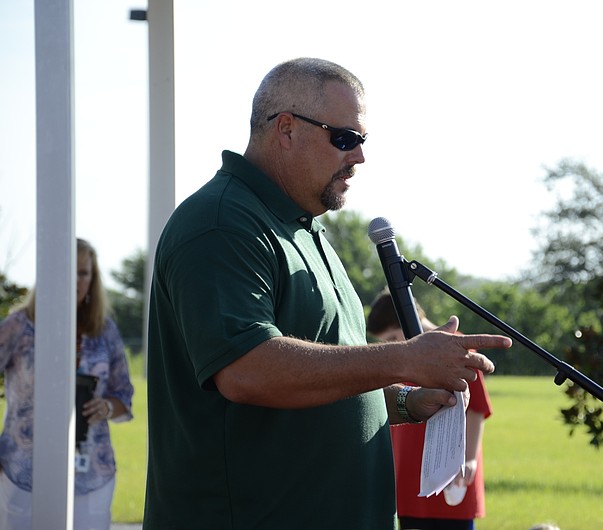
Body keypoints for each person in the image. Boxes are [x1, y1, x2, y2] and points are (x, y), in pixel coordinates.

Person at [142, 57, 512, 530]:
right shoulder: (221, 223)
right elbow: (246, 370)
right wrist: (404, 358)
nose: (358, 157)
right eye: (344, 138)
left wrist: (403, 401)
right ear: (287, 129)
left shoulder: (302, 227)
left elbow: (326, 374)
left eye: (362, 141)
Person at [0, 238, 134, 530]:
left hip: (91, 473)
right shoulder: (19, 326)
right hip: (22, 472)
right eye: (68, 270)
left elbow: (124, 395)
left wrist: (106, 407)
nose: (75, 280)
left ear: (93, 279)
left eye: (83, 273)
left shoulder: (105, 330)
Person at [366, 289, 492, 530]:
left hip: (452, 467)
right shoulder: (398, 358)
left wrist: (470, 459)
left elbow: (477, 410)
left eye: (392, 338)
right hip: (408, 470)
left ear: (406, 319)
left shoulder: (458, 348)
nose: (391, 346)